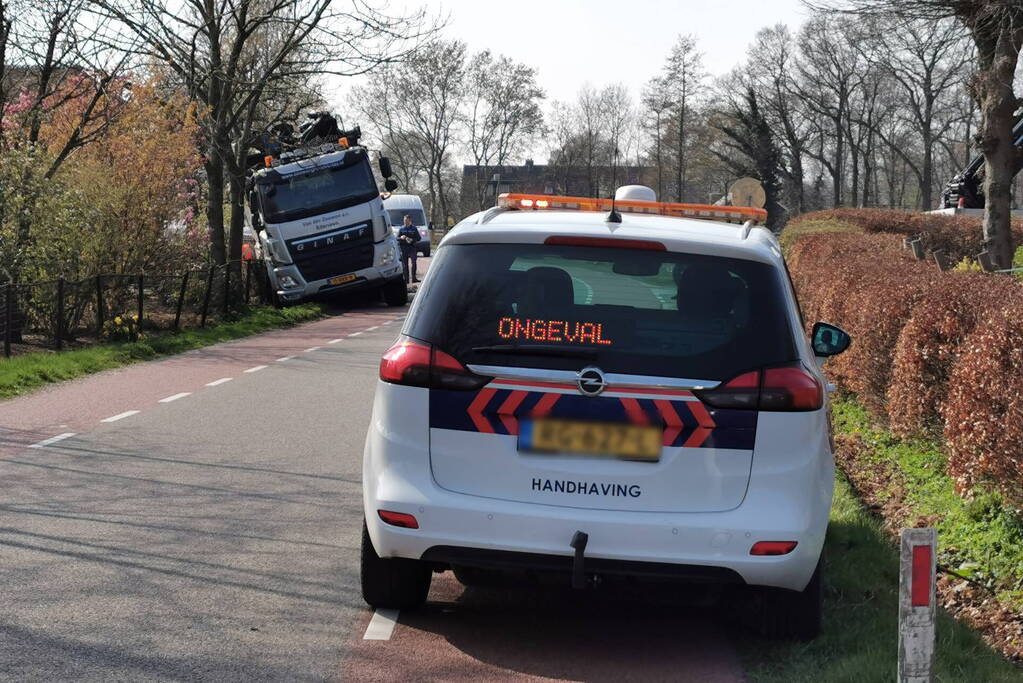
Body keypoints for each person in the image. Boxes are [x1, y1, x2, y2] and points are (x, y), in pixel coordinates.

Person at [397, 214, 420, 283]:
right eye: (404, 220)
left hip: (412, 248)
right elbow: (397, 238)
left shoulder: (414, 228)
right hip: (403, 248)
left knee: (414, 263)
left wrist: (412, 240)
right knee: (405, 264)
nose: (405, 222)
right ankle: (406, 279)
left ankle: (414, 278)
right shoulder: (401, 229)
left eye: (406, 220)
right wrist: (401, 237)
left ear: (410, 220)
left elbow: (419, 238)